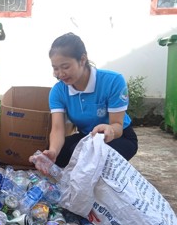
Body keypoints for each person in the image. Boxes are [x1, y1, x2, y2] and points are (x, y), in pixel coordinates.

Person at [41, 32, 138, 172]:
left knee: (86, 157)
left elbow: (117, 125)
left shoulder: (113, 81)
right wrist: (53, 152)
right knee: (56, 155)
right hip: (87, 137)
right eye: (55, 68)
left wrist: (110, 130)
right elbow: (57, 129)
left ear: (82, 59)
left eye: (65, 67)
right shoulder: (58, 91)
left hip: (119, 137)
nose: (60, 74)